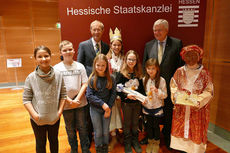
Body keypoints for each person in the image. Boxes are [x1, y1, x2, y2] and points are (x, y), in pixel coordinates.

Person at [142, 19, 184, 148]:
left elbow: (180, 67)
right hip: (152, 88)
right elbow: (145, 65)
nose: (156, 32)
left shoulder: (177, 44)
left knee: (168, 115)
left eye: (159, 30)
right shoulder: (149, 45)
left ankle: (167, 138)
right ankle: (150, 136)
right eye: (155, 30)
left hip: (169, 87)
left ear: (167, 30)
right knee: (150, 115)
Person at [170, 45, 213, 153]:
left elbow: (209, 91)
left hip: (197, 109)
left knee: (195, 133)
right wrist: (177, 97)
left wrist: (198, 100)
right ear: (184, 57)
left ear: (199, 57)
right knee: (181, 130)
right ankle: (181, 148)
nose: (191, 58)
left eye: (194, 55)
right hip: (182, 108)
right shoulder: (179, 71)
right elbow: (173, 86)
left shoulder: (205, 73)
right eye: (188, 55)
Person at [23, 46, 66, 153]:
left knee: (54, 142)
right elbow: (26, 99)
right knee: (40, 143)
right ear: (35, 58)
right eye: (40, 57)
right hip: (37, 120)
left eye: (46, 56)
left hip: (54, 117)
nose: (43, 59)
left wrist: (59, 112)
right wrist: (35, 116)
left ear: (50, 56)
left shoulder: (59, 75)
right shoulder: (31, 77)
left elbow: (63, 95)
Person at [54, 40, 91, 153]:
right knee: (70, 129)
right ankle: (74, 149)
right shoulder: (56, 68)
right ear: (60, 53)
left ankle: (85, 148)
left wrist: (77, 99)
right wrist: (69, 101)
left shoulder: (80, 66)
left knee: (82, 127)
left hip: (80, 103)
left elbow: (85, 83)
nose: (68, 52)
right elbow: (58, 88)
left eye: (70, 49)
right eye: (65, 50)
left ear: (74, 51)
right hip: (66, 104)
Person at [77, 20, 110, 144]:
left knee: (101, 109)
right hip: (89, 84)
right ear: (90, 31)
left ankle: (102, 136)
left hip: (103, 85)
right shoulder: (83, 45)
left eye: (99, 29)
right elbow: (80, 65)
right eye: (94, 29)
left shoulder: (106, 46)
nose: (96, 32)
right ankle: (90, 138)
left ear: (102, 31)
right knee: (89, 113)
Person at [86, 54, 117, 153]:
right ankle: (99, 148)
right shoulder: (92, 79)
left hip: (107, 110)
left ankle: (105, 148)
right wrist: (103, 104)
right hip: (95, 110)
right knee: (98, 132)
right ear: (94, 65)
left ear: (107, 66)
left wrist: (109, 108)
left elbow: (113, 93)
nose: (100, 67)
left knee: (105, 131)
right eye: (98, 65)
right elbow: (89, 96)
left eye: (103, 65)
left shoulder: (111, 78)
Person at [116, 50, 145, 153]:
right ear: (126, 60)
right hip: (126, 104)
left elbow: (142, 90)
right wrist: (127, 95)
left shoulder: (139, 73)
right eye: (129, 59)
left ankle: (135, 141)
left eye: (133, 60)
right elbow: (118, 90)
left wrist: (144, 98)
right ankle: (127, 142)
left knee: (135, 123)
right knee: (127, 123)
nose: (131, 61)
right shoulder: (121, 74)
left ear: (136, 61)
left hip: (137, 103)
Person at [142, 58, 167, 153]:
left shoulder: (161, 80)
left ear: (157, 69)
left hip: (157, 107)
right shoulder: (144, 79)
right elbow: (143, 94)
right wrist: (143, 100)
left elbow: (165, 95)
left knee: (156, 126)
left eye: (153, 68)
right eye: (148, 68)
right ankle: (150, 141)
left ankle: (156, 142)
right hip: (147, 107)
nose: (150, 71)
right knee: (149, 125)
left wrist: (157, 91)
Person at [106, 27, 124, 151]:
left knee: (121, 114)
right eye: (114, 45)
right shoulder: (106, 59)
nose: (116, 47)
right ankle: (113, 136)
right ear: (110, 45)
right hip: (110, 92)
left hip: (122, 92)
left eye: (118, 45)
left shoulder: (125, 58)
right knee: (112, 115)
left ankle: (120, 133)